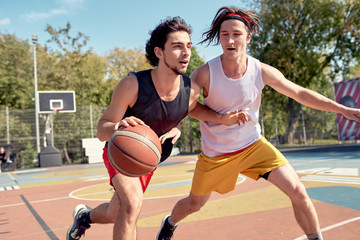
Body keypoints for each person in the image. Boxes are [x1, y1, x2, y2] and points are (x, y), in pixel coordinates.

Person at [156, 6, 360, 240]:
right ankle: (170, 222)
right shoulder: (205, 73)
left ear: (248, 37)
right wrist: (187, 125)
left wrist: (341, 108)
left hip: (253, 146)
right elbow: (186, 106)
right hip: (217, 154)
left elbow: (300, 93)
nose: (230, 40)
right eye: (224, 34)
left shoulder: (260, 71)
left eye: (236, 34)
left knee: (298, 192)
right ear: (219, 37)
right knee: (194, 203)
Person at [66, 16, 245, 240]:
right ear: (159, 52)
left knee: (115, 212)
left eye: (188, 46)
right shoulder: (132, 85)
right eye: (177, 46)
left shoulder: (189, 90)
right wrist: (116, 127)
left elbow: (190, 109)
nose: (186, 52)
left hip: (149, 158)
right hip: (122, 151)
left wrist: (215, 120)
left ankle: (84, 217)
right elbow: (102, 129)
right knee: (131, 204)